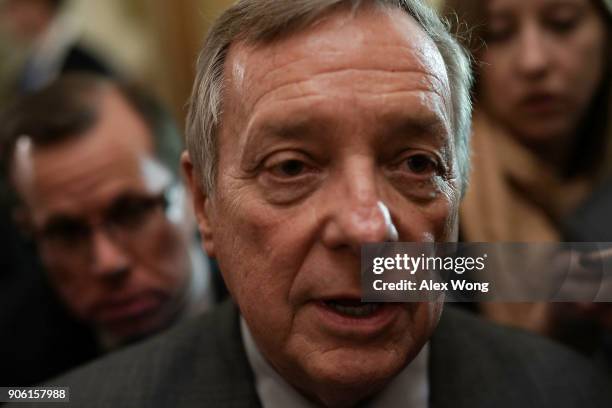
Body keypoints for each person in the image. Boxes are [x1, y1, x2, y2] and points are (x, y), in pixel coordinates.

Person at [10, 1, 611, 406]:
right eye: (292, 167)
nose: (365, 224)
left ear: (459, 191)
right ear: (203, 202)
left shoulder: (575, 392)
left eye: (416, 163)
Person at [0, 74, 219, 384]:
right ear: (28, 230)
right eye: (66, 232)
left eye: (131, 212)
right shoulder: (13, 367)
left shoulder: (272, 311)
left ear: (192, 192)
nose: (108, 263)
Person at [442, 0, 612, 348]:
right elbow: (383, 275)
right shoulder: (435, 179)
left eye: (562, 24)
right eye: (499, 35)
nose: (533, 62)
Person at [0, 0, 113, 92]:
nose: (7, 16)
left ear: (39, 5)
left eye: (14, 6)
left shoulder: (84, 63)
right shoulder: (34, 57)